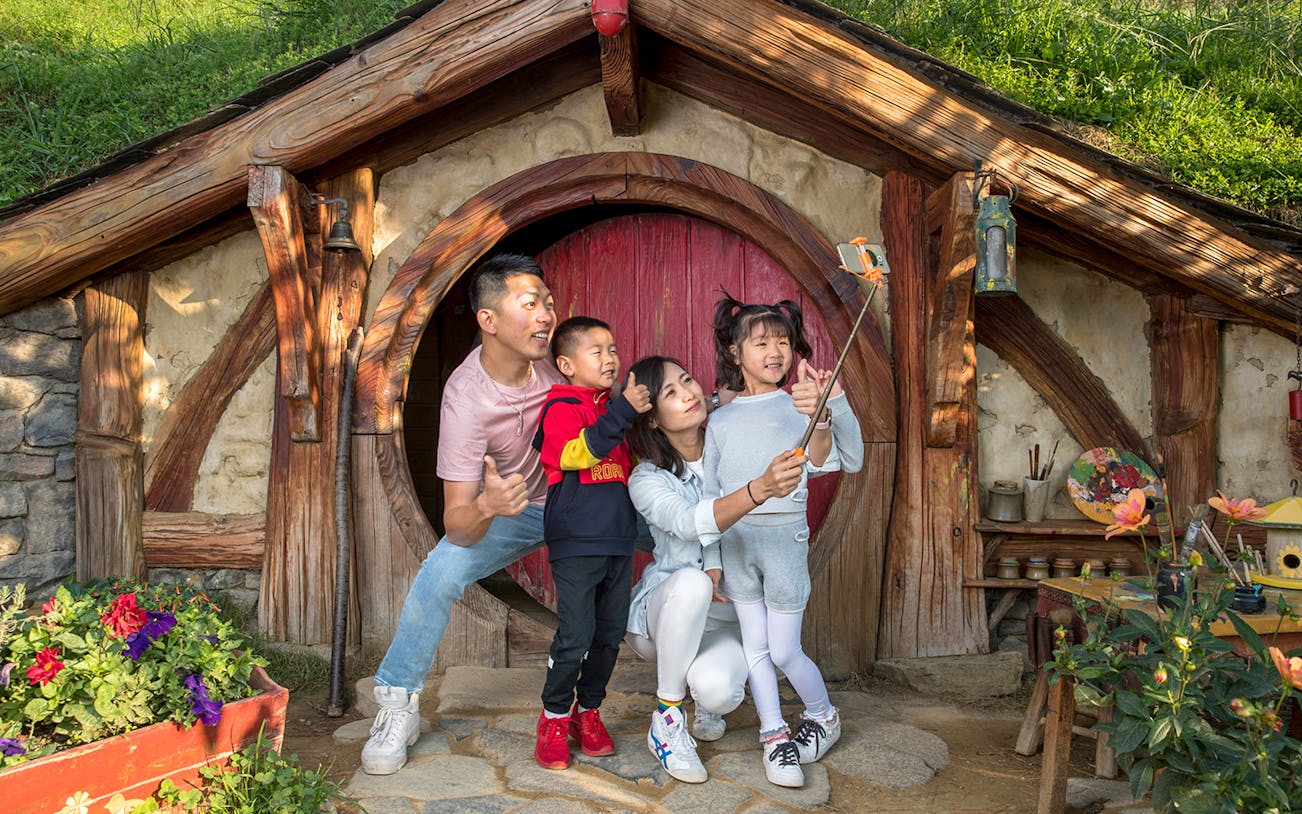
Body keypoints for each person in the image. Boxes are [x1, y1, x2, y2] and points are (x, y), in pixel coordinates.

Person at [361, 253, 563, 775]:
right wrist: (491, 505)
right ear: (488, 320)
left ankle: (698, 669)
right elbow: (457, 522)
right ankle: (398, 704)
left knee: (676, 528)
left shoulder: (557, 360)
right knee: (443, 567)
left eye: (548, 303)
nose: (545, 315)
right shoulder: (466, 398)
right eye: (529, 304)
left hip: (578, 500)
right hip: (511, 512)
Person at [704, 292, 864, 788]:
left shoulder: (800, 403)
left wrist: (826, 409)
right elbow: (710, 495)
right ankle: (774, 736)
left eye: (783, 341)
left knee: (782, 650)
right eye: (761, 343)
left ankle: (823, 715)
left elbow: (836, 459)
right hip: (737, 544)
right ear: (735, 353)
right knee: (755, 645)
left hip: (784, 542)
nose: (775, 352)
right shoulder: (719, 419)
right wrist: (712, 558)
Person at [624, 355, 806, 784]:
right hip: (666, 614)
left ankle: (700, 694)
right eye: (670, 392)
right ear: (651, 420)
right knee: (691, 583)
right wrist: (758, 489)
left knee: (721, 693)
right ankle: (668, 720)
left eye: (687, 381)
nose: (687, 393)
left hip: (727, 619)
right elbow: (690, 523)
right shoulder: (646, 479)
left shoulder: (734, 444)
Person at [530, 316, 652, 770]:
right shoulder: (561, 405)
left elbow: (634, 465)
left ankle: (589, 711)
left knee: (608, 635)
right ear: (565, 364)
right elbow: (575, 454)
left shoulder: (614, 410)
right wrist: (623, 413)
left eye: (613, 349)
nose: (610, 358)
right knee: (576, 635)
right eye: (596, 351)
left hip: (618, 540)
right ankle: (554, 717)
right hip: (577, 541)